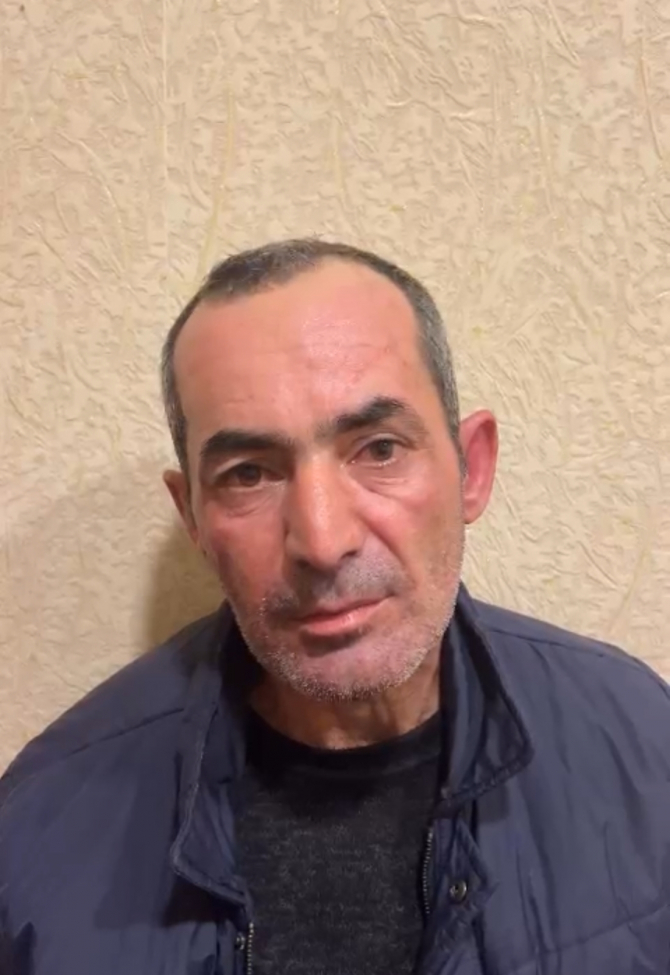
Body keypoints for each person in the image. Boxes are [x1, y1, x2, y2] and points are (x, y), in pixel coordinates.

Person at [1, 239, 668, 975]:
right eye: (249, 473)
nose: (322, 542)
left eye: (379, 449)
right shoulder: (36, 837)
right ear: (192, 515)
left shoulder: (643, 742)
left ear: (471, 469)